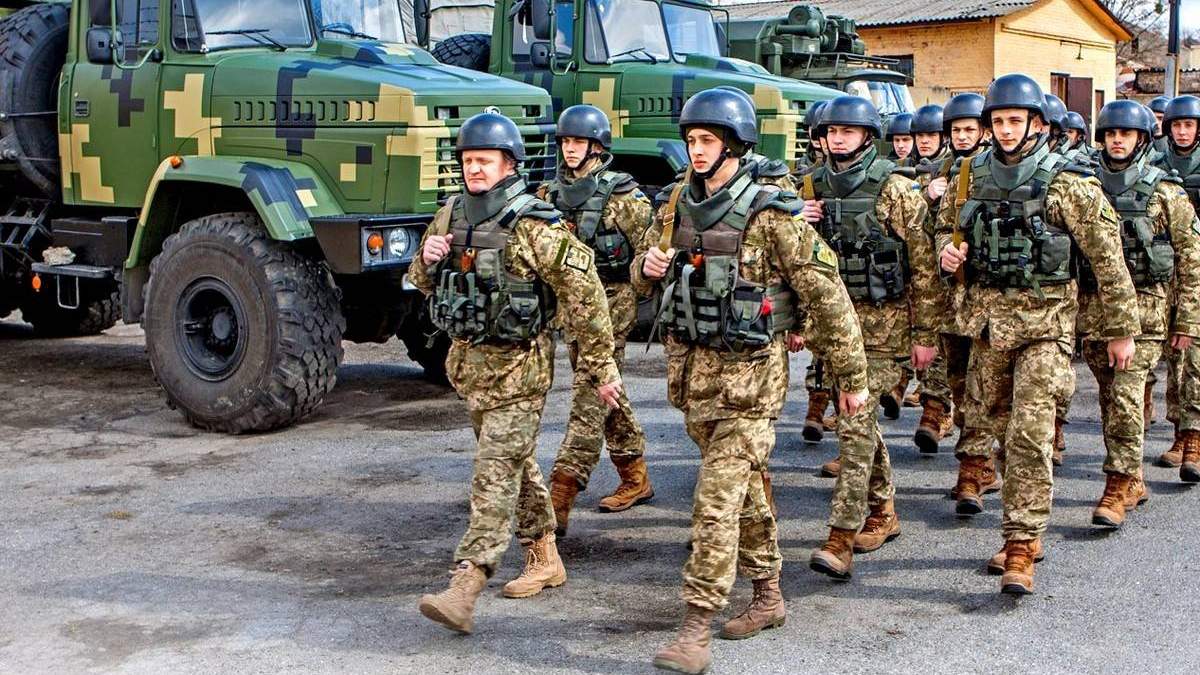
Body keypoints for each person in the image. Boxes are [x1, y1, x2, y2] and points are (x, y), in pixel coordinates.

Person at [632, 88, 868, 675]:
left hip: (752, 383)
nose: (697, 150)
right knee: (744, 494)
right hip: (693, 380)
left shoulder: (771, 214)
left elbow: (828, 296)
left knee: (714, 501)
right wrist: (646, 267)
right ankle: (768, 594)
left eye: (707, 140)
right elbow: (643, 271)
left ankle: (695, 626)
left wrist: (851, 378)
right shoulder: (676, 206)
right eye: (691, 140)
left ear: (735, 145)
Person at [411, 112, 622, 633]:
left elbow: (586, 293)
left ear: (509, 164)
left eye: (484, 161)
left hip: (520, 373)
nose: (474, 169)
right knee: (517, 465)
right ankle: (544, 555)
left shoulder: (534, 225)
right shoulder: (450, 215)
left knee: (494, 473)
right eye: (467, 161)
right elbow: (420, 281)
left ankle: (467, 582)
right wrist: (428, 258)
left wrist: (601, 368)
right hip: (470, 371)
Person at [936, 74, 1139, 594]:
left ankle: (1021, 544)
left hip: (1047, 330)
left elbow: (1108, 259)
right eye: (998, 121)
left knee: (1030, 433)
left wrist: (1121, 331)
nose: (1005, 130)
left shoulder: (1067, 183)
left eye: (1015, 120)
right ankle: (1023, 525)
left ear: (1037, 124)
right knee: (1000, 430)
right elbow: (943, 228)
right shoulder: (968, 176)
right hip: (988, 329)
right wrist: (947, 253)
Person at [799, 95, 938, 578]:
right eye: (830, 132)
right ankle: (883, 510)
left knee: (855, 423)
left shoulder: (896, 190)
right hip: (833, 331)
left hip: (884, 328)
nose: (837, 140)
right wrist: (798, 220)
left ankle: (841, 537)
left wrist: (925, 334)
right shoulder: (809, 188)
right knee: (857, 423)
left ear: (866, 136)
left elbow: (924, 267)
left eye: (847, 131)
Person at [1081, 100, 1200, 527]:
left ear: (1142, 139)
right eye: (1111, 134)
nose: (1117, 141)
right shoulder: (1085, 187)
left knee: (1128, 396)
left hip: (1147, 314)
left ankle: (1118, 483)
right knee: (1111, 398)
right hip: (1094, 314)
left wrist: (1188, 320)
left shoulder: (1165, 192)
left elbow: (1191, 258)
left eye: (1126, 134)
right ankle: (1132, 476)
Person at [537, 105, 655, 536]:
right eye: (566, 142)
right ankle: (634, 473)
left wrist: (646, 279)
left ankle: (562, 491)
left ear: (598, 147)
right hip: (570, 309)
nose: (570, 149)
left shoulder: (624, 197)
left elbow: (649, 250)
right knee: (607, 389)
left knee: (590, 392)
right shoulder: (548, 196)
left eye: (579, 142)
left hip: (612, 305)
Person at [1153, 94, 1200, 482]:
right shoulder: (1157, 161)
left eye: (1189, 125)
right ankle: (1178, 432)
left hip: (1197, 267)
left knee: (1196, 355)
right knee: (1175, 355)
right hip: (1167, 267)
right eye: (1177, 125)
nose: (1182, 132)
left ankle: (1194, 436)